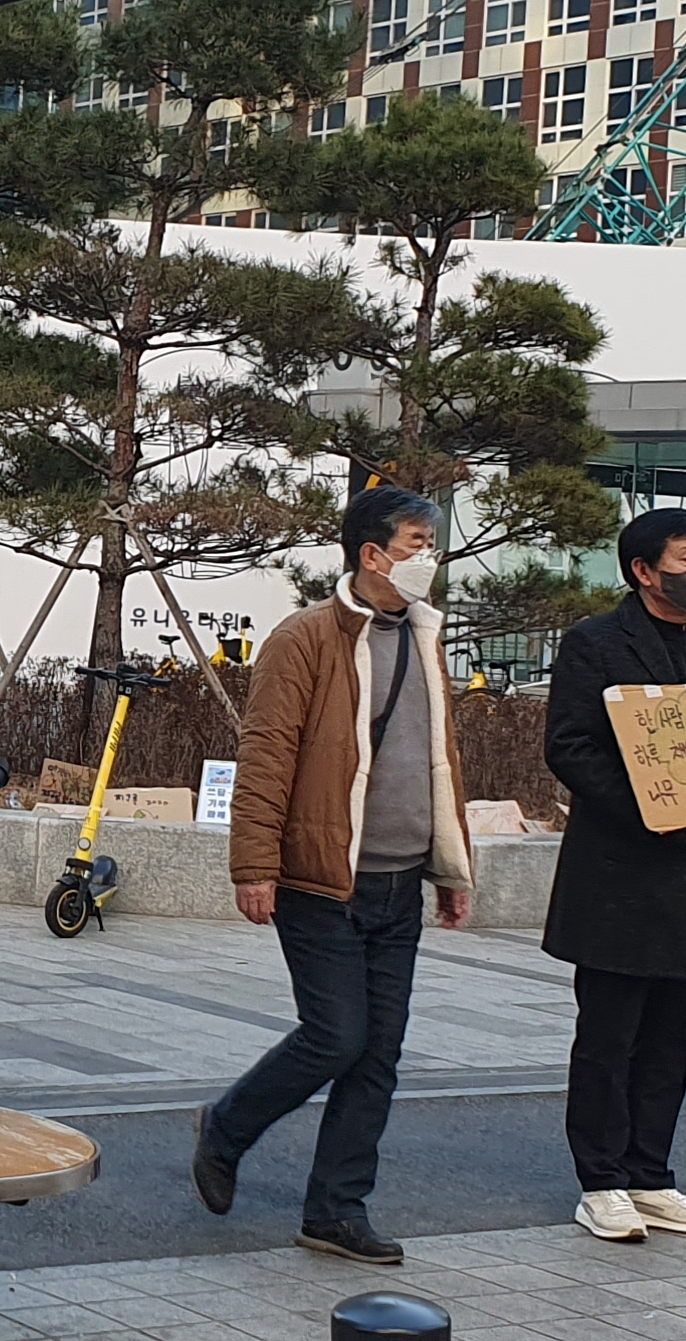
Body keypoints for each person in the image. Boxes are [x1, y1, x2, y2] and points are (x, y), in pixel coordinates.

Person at [194, 485, 477, 1266]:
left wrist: (452, 866)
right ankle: (226, 1126)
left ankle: (336, 1210)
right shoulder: (307, 638)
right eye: (419, 542)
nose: (431, 558)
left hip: (399, 881)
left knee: (378, 1053)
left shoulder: (425, 637)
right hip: (322, 878)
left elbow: (439, 760)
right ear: (373, 553)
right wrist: (254, 865)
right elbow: (266, 757)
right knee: (336, 1035)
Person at [542, 508, 686, 1243]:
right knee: (608, 1034)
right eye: (685, 557)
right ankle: (600, 1180)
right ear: (643, 570)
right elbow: (572, 750)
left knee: (671, 1036)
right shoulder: (594, 644)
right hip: (620, 871)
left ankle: (652, 1174)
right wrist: (658, 808)